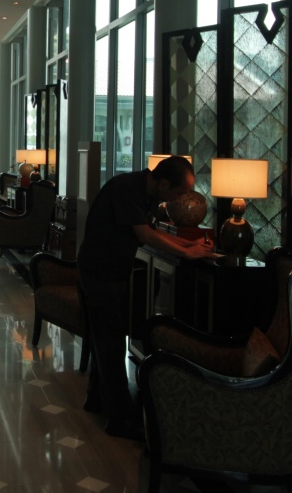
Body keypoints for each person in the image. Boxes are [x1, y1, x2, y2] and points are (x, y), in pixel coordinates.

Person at [76, 155, 216, 440]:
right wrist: (186, 251)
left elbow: (151, 231)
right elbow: (144, 234)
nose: (179, 199)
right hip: (100, 275)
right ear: (163, 184)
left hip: (110, 274)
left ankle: (97, 399)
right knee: (111, 343)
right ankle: (120, 419)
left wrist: (189, 243)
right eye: (179, 193)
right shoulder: (126, 188)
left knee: (106, 340)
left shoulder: (145, 192)